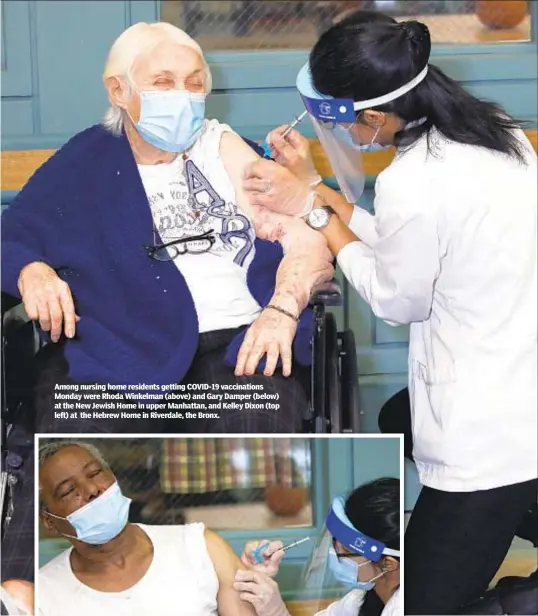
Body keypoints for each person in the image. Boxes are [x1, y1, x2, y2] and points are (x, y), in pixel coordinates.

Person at [241, 9, 537, 615]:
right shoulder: (492, 129)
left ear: (373, 115)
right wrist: (317, 190)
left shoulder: (415, 180)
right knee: (397, 415)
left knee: (425, 604)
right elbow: (411, 244)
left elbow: (397, 298)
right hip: (520, 389)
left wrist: (315, 213)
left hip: (488, 437)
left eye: (337, 117)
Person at [0, 22, 333, 436]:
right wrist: (33, 270)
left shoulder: (227, 150)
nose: (183, 97)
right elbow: (13, 234)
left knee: (257, 438)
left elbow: (308, 242)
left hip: (241, 343)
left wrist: (281, 311)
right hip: (120, 348)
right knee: (72, 444)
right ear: (119, 91)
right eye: (163, 83)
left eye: (194, 84)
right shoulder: (84, 161)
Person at [37, 439, 265, 616]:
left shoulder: (198, 547)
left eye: (95, 473)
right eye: (68, 491)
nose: (91, 490)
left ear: (113, 476)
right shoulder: (43, 597)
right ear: (49, 521)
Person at [235, 478, 401, 616]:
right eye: (335, 542)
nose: (333, 554)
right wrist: (256, 577)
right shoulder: (363, 598)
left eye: (347, 551)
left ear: (388, 564)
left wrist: (277, 612)